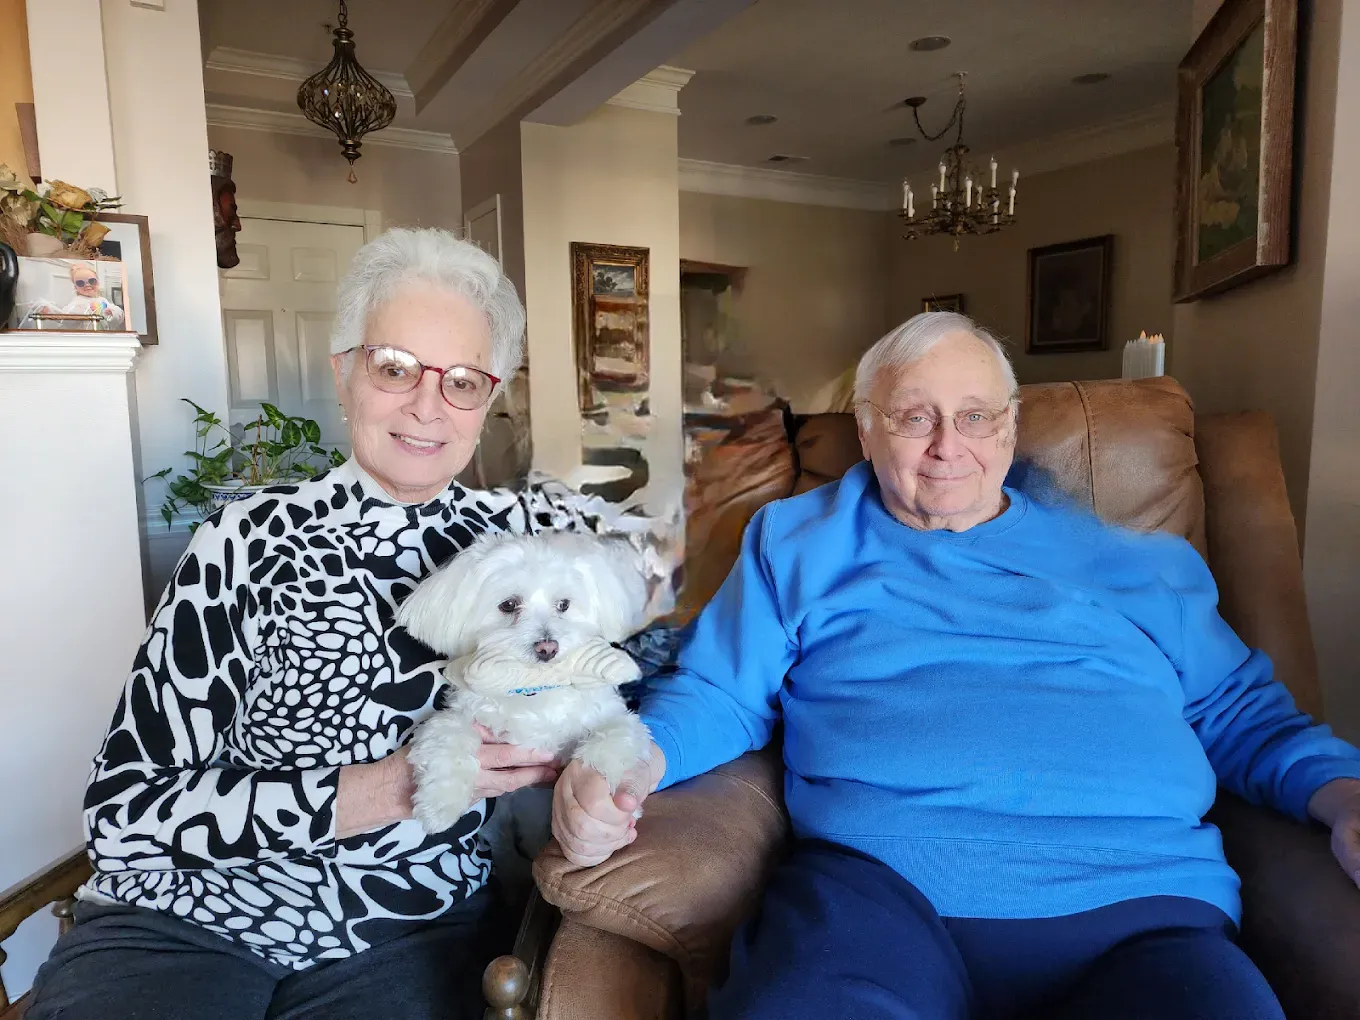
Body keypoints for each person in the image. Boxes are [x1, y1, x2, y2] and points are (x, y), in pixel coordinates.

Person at [553, 311, 1360, 1020]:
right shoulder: (797, 540)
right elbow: (721, 692)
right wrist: (625, 760)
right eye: (915, 417)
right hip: (879, 892)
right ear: (867, 430)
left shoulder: (1142, 565)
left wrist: (1345, 798)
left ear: (1009, 428)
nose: (949, 448)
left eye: (975, 417)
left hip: (1141, 908)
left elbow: (1241, 715)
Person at [27, 228, 602, 1020]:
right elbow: (124, 810)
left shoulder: (530, 540)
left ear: (490, 397)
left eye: (463, 380)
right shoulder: (245, 541)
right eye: (394, 367)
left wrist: (613, 778)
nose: (428, 405)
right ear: (344, 373)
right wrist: (386, 789)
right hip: (185, 912)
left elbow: (662, 656)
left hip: (406, 925)